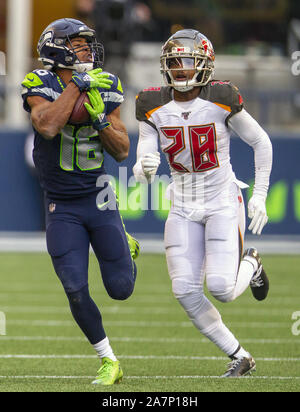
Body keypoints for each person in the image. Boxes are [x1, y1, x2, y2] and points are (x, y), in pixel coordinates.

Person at [133, 29, 272, 377]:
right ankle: (240, 356)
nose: (180, 70)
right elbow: (143, 162)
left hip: (222, 200)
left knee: (222, 289)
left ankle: (251, 264)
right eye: (174, 63)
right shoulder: (151, 104)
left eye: (187, 62)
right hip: (182, 204)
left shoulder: (222, 97)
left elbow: (261, 142)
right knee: (184, 290)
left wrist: (259, 195)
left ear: (205, 65)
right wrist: (143, 167)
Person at [21, 18, 139, 385]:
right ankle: (108, 360)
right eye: (79, 44)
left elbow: (122, 151)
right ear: (57, 48)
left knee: (121, 289)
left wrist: (100, 119)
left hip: (97, 197)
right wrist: (77, 86)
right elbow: (48, 125)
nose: (88, 50)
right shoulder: (38, 82)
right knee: (73, 286)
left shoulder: (108, 84)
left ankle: (123, 239)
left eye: (88, 43)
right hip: (61, 204)